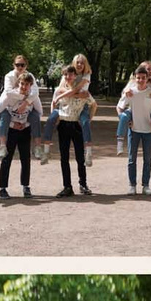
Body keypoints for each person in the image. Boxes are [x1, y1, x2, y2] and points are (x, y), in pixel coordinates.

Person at [0, 61, 44, 199]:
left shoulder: (33, 98)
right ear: (18, 84)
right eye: (22, 84)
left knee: (25, 159)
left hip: (24, 129)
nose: (24, 87)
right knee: (6, 158)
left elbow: (39, 114)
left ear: (30, 86)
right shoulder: (9, 96)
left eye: (27, 85)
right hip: (12, 130)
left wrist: (26, 123)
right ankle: (2, 188)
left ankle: (26, 186)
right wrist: (12, 125)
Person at [117, 63, 151, 194]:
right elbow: (121, 105)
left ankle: (146, 185)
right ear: (135, 77)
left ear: (147, 77)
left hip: (148, 130)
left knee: (148, 160)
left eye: (143, 77)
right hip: (133, 130)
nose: (141, 80)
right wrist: (125, 120)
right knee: (131, 159)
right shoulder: (131, 90)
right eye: (138, 77)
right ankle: (132, 185)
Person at [50, 55, 96, 196]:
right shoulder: (63, 84)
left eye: (82, 62)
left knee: (79, 157)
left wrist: (87, 120)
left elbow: (93, 104)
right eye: (77, 62)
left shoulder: (84, 83)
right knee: (64, 157)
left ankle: (83, 184)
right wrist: (55, 118)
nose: (80, 64)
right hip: (63, 124)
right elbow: (54, 101)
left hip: (77, 125)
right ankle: (67, 187)